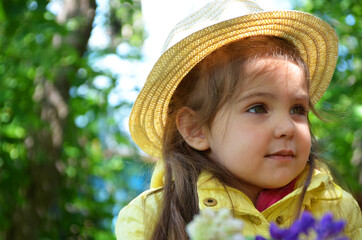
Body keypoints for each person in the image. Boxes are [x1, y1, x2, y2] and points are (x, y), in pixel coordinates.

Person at [115, 0, 362, 239]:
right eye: (258, 108)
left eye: (298, 109)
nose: (287, 128)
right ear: (196, 129)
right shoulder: (151, 218)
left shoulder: (337, 208)